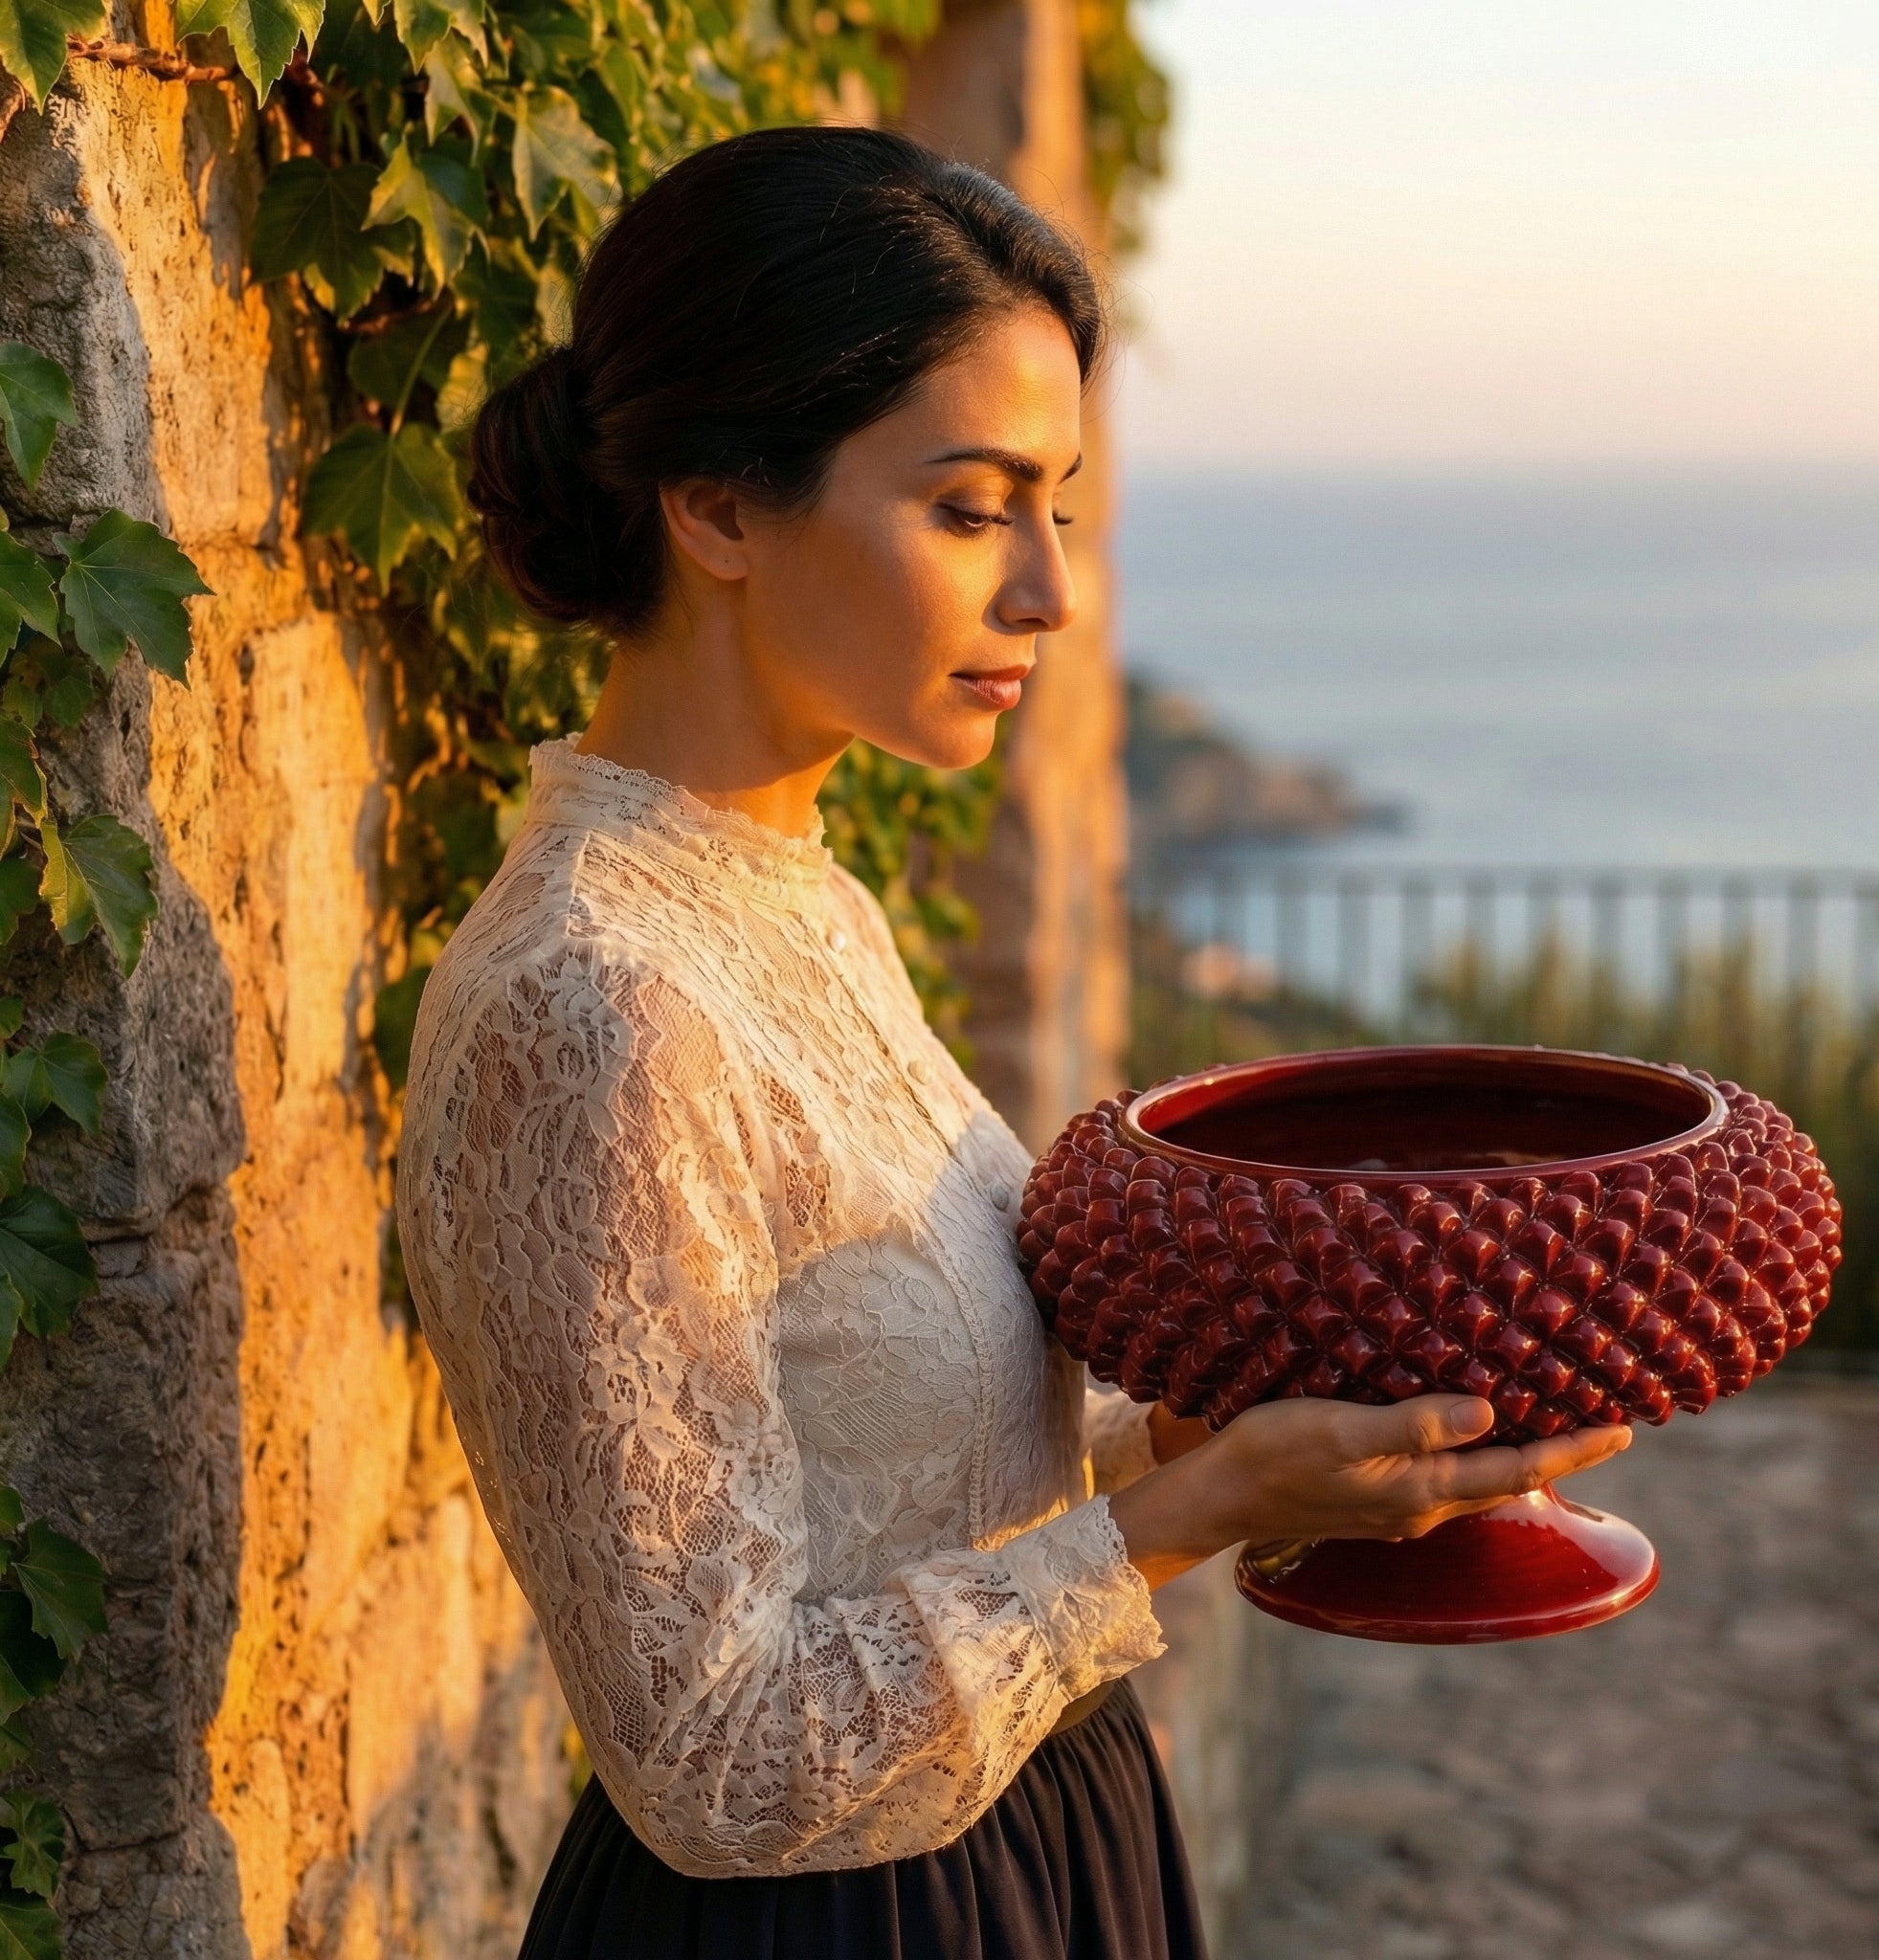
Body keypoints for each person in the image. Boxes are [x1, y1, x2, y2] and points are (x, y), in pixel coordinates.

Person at [394, 125, 1631, 1960]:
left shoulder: (789, 895)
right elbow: (718, 1763)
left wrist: (1261, 1438)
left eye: (1056, 505)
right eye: (974, 508)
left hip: (1036, 1838)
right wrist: (1190, 1515)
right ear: (721, 505)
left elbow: (919, 1466)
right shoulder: (590, 1000)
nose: (1050, 594)